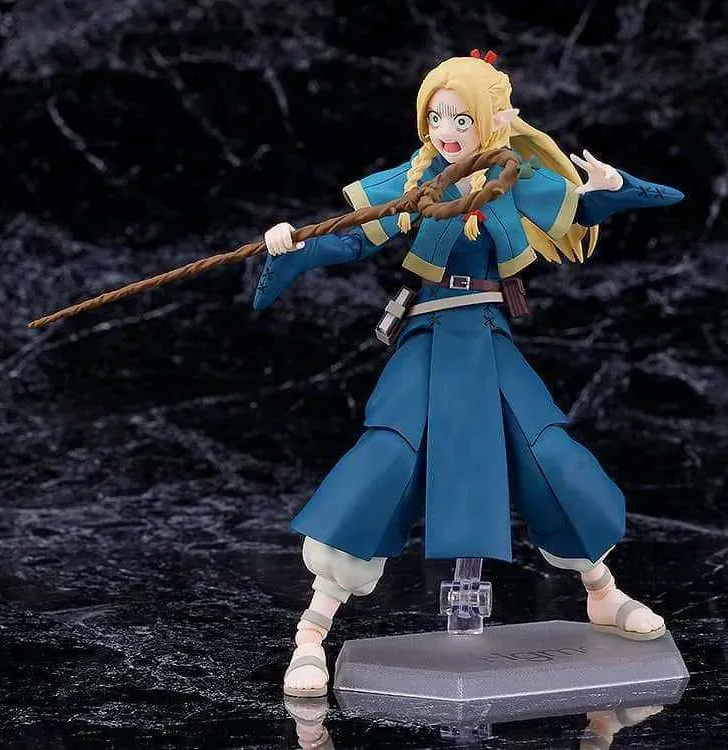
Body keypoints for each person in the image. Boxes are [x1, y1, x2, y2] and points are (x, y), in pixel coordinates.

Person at [252, 52, 685, 698]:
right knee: (386, 459)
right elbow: (352, 236)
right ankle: (311, 633)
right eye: (436, 116)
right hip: (429, 336)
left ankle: (602, 591)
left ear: (494, 120)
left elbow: (582, 210)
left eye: (462, 117)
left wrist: (611, 187)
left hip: (488, 335)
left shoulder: (513, 179)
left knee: (548, 454)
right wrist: (294, 243)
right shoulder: (418, 178)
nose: (447, 130)